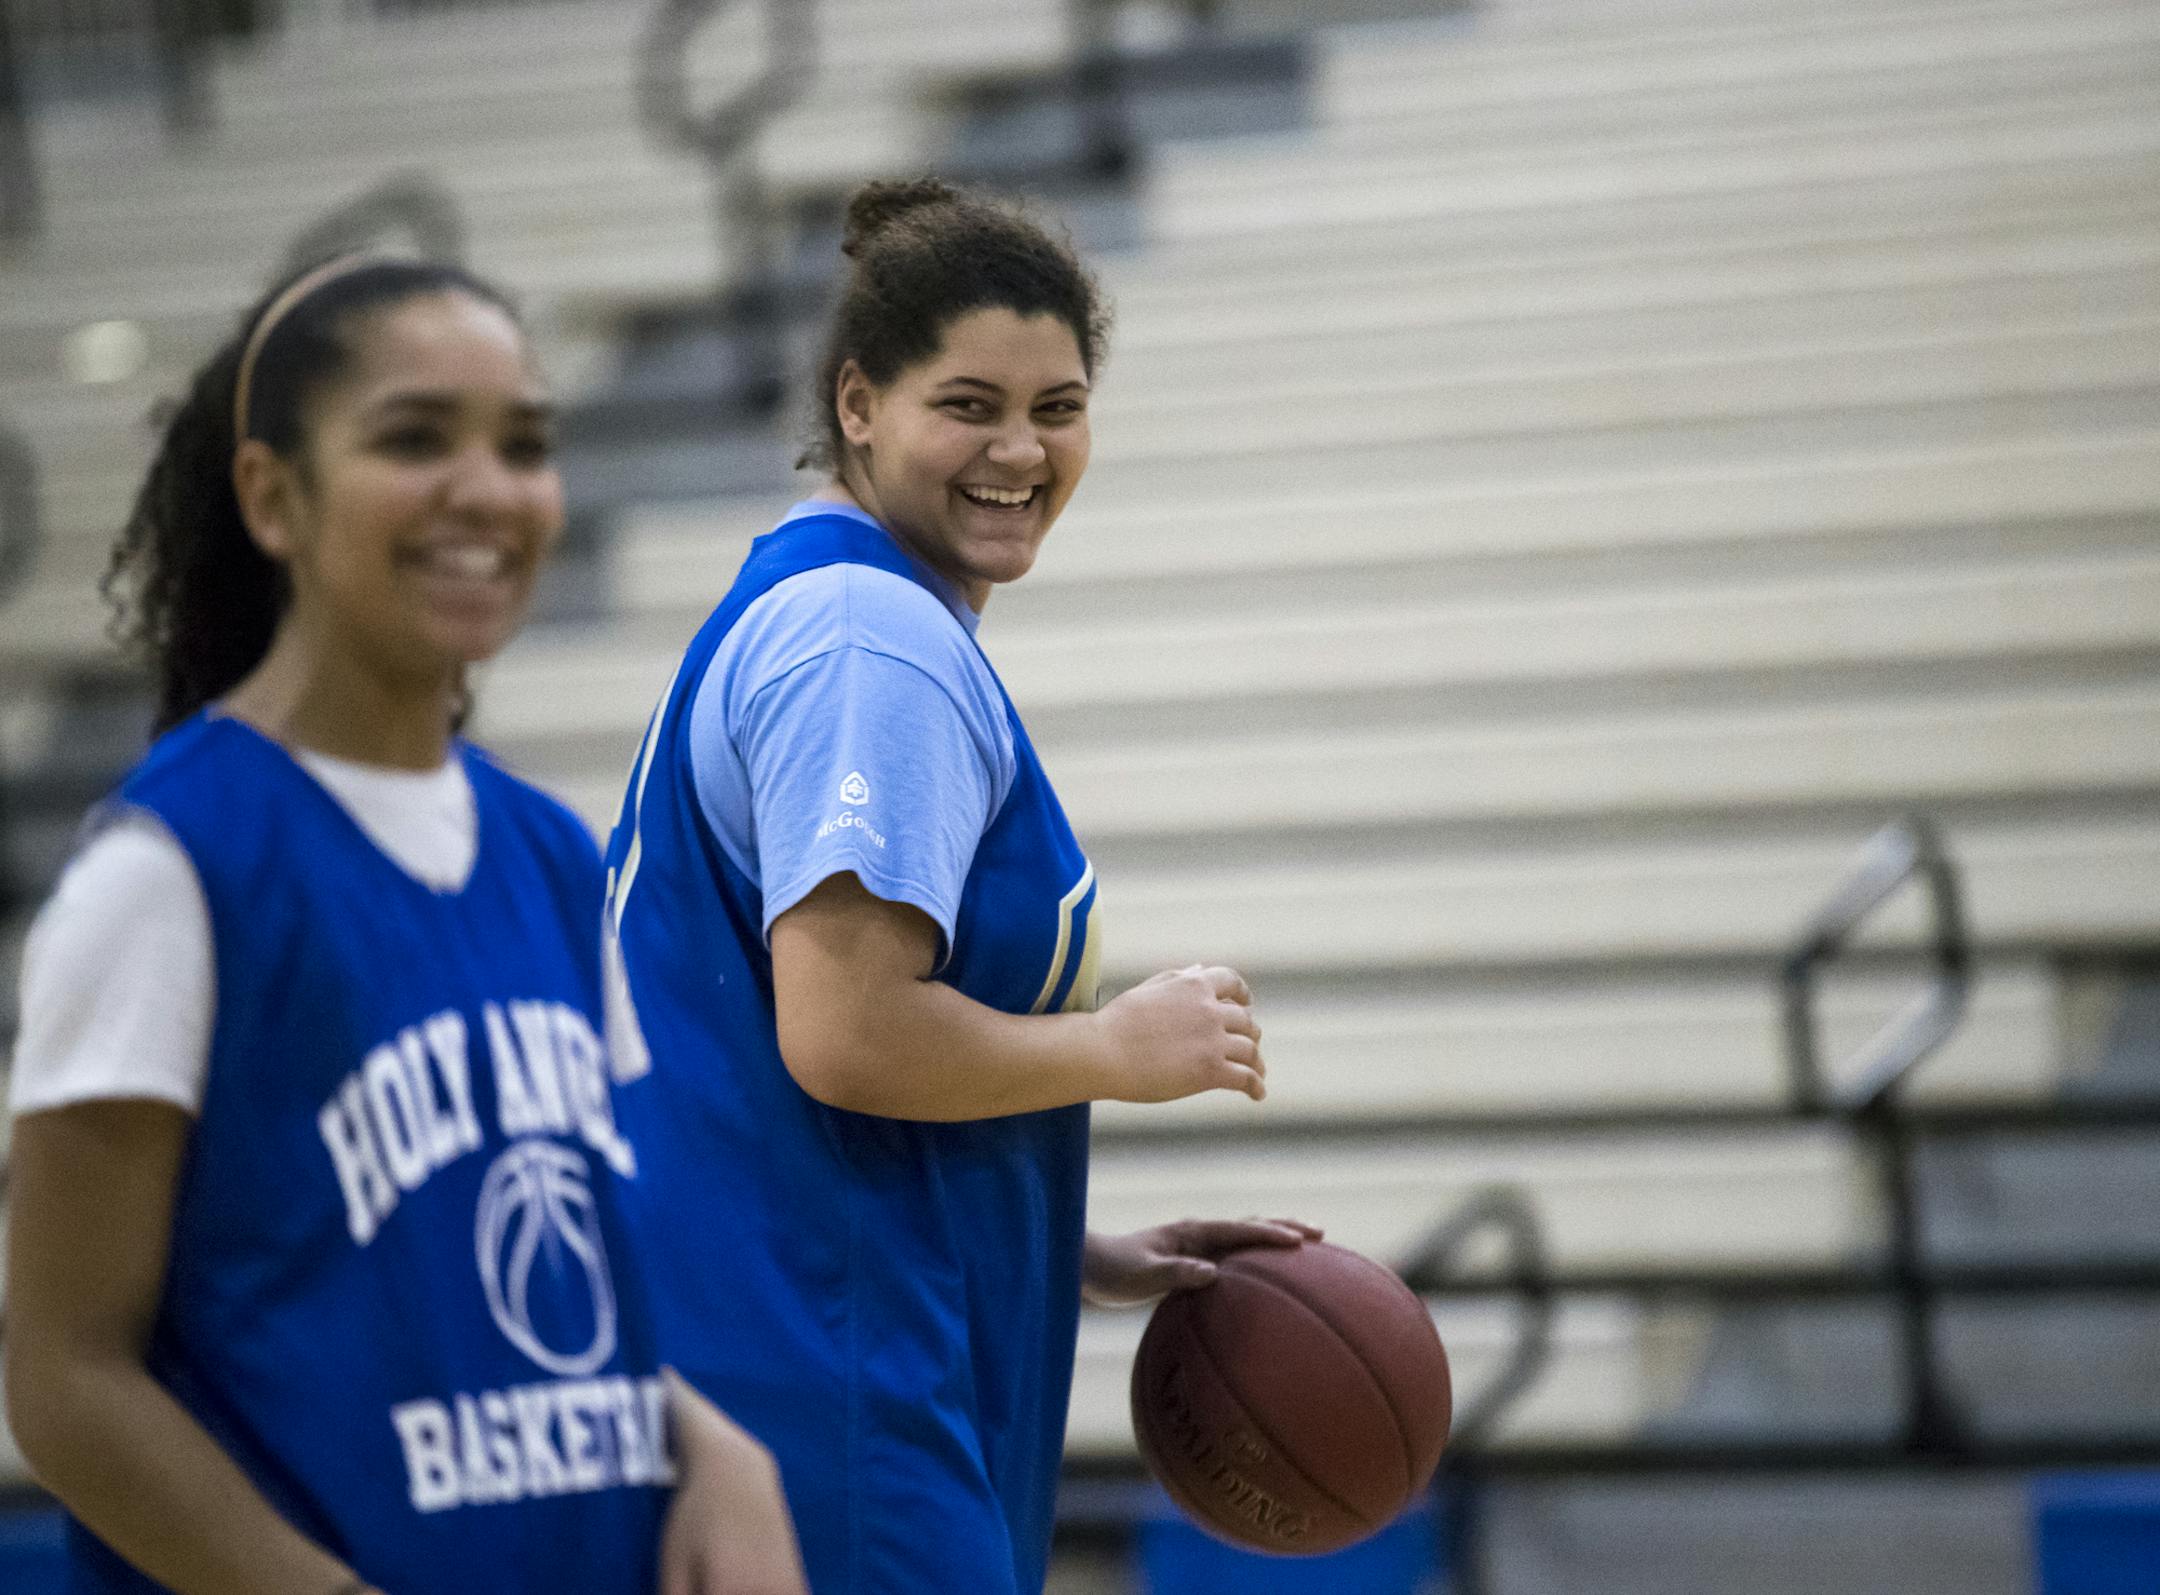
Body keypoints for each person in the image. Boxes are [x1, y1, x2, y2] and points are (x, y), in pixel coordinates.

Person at [4, 255, 808, 1595]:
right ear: (273, 495)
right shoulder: (168, 870)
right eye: (415, 439)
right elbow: (66, 1381)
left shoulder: (552, 854)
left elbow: (580, 1283)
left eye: (525, 444)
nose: (485, 489)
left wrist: (707, 1440)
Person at [600, 178, 1321, 1595]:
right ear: (859, 403)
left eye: (1058, 408)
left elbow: (777, 1070)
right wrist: (1115, 1051)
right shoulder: (872, 641)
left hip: (789, 1351)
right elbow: (847, 1032)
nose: (1020, 449)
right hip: (831, 1397)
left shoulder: (817, 603)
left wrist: (1066, 1238)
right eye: (970, 404)